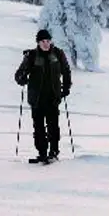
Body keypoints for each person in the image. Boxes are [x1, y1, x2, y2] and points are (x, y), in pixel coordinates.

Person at [15, 28, 72, 164]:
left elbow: (66, 71)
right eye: (43, 41)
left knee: (53, 126)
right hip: (37, 98)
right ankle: (42, 153)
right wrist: (22, 79)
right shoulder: (32, 56)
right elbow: (19, 74)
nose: (46, 43)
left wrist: (66, 88)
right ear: (38, 43)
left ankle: (53, 152)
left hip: (53, 97)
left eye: (48, 41)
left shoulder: (58, 53)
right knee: (39, 128)